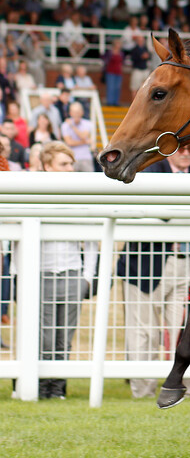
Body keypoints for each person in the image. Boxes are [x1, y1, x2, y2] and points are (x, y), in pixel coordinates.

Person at [116, 143, 190, 399]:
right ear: (169, 150)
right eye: (183, 149)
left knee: (182, 329)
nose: (187, 153)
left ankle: (182, 386)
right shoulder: (150, 170)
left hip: (187, 262)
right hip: (146, 263)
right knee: (144, 329)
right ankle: (143, 390)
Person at [26, 142, 98, 399]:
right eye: (64, 165)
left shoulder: (80, 197)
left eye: (71, 165)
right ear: (47, 167)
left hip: (71, 274)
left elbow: (91, 243)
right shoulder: (32, 194)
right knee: (43, 336)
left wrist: (86, 278)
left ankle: (58, 389)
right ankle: (40, 387)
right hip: (40, 275)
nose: (70, 169)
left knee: (64, 337)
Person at [60, 102, 94, 172]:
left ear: (82, 112)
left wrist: (72, 126)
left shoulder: (88, 123)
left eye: (78, 112)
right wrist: (84, 142)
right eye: (74, 112)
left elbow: (83, 136)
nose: (76, 114)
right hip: (71, 158)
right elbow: (69, 142)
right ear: (70, 113)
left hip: (86, 158)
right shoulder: (65, 125)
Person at [102, 39, 125, 106]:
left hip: (118, 72)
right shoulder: (110, 52)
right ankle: (110, 102)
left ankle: (116, 102)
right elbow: (104, 58)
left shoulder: (121, 53)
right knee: (110, 87)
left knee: (117, 87)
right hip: (110, 72)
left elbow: (122, 61)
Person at [128, 35, 151, 100]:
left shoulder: (145, 48)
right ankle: (133, 104)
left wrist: (146, 56)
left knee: (145, 88)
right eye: (140, 41)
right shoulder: (134, 49)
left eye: (142, 41)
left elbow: (149, 56)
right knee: (134, 88)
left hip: (145, 70)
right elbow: (133, 59)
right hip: (137, 70)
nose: (141, 42)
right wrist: (141, 57)